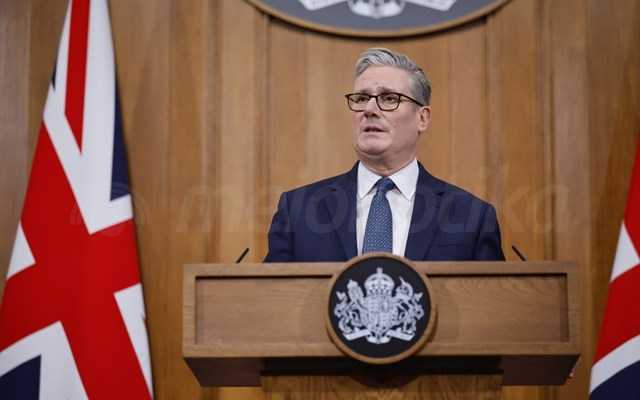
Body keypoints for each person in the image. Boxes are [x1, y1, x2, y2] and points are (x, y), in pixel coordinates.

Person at [264, 47, 505, 262]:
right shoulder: (298, 211)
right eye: (361, 98)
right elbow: (272, 295)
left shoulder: (472, 216)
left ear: (422, 118)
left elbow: (492, 296)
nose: (369, 109)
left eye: (389, 98)